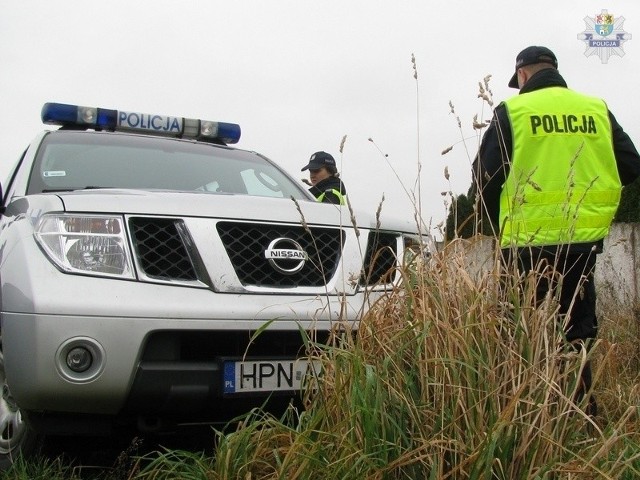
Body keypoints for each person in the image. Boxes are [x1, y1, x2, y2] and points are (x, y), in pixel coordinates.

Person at [472, 45, 640, 415]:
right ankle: (581, 412)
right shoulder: (595, 109)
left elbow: (486, 177)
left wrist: (495, 219)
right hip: (582, 245)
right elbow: (630, 166)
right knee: (576, 330)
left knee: (520, 330)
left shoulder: (513, 111)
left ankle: (526, 413)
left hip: (525, 246)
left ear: (523, 75)